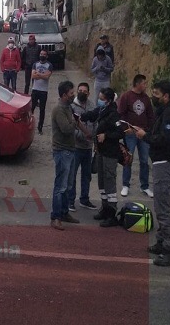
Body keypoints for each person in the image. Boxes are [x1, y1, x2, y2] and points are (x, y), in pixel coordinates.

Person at [134, 81, 170, 266]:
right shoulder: (166, 112)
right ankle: (162, 242)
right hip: (163, 162)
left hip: (166, 163)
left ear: (166, 96)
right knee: (161, 205)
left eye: (157, 94)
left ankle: (169, 250)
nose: (154, 96)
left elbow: (165, 139)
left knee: (162, 209)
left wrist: (145, 136)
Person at [81, 87, 124, 227]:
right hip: (100, 152)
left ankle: (111, 213)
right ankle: (105, 209)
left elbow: (120, 133)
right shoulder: (102, 110)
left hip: (110, 153)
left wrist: (106, 136)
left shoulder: (113, 114)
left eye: (102, 99)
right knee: (102, 183)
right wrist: (80, 116)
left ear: (109, 100)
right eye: (99, 98)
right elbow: (92, 115)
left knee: (110, 182)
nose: (99, 101)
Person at [49, 81, 82, 230]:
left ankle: (64, 212)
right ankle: (55, 216)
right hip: (62, 151)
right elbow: (66, 129)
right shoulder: (59, 110)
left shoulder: (68, 107)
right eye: (71, 93)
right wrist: (75, 122)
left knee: (68, 185)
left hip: (70, 150)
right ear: (64, 95)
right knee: (60, 186)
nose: (73, 95)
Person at [117, 74, 155, 198]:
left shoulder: (146, 98)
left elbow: (150, 116)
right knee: (128, 159)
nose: (145, 85)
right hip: (130, 134)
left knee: (144, 160)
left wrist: (148, 130)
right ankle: (125, 185)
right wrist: (126, 129)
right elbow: (121, 114)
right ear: (138, 84)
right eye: (144, 83)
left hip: (143, 134)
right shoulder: (126, 96)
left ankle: (145, 186)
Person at [68, 82, 97, 211]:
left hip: (88, 147)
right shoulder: (71, 107)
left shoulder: (92, 105)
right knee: (72, 175)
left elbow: (96, 122)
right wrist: (81, 135)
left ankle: (84, 199)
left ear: (88, 93)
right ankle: (70, 201)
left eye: (85, 91)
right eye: (80, 90)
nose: (82, 93)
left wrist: (94, 138)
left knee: (86, 175)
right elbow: (70, 126)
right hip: (75, 147)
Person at [31, 49, 53, 135]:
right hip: (35, 89)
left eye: (44, 54)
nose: (42, 55)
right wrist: (42, 75)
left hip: (44, 90)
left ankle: (40, 127)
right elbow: (33, 76)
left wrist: (38, 74)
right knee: (32, 108)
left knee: (42, 110)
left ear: (46, 56)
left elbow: (47, 77)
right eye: (41, 54)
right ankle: (30, 124)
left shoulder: (49, 65)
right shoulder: (35, 64)